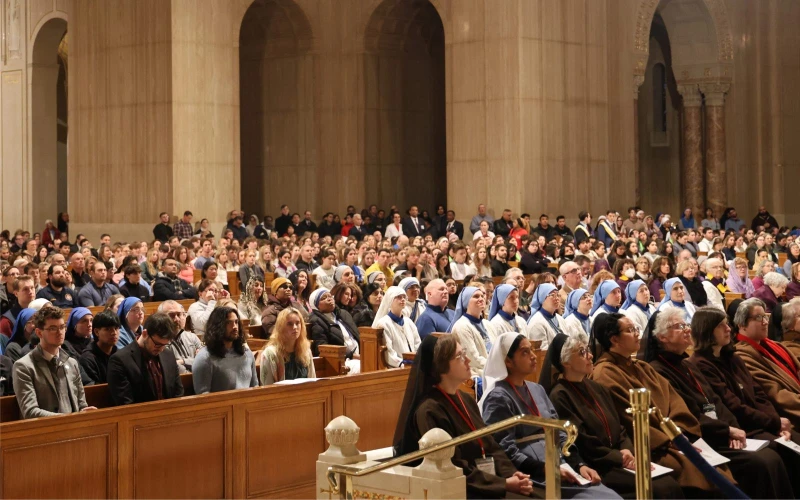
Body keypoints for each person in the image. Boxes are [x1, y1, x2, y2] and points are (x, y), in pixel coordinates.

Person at [645, 307, 793, 499]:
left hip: (721, 431)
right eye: (679, 326)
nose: (686, 329)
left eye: (686, 325)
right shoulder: (658, 370)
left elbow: (716, 401)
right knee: (763, 462)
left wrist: (731, 428)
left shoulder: (686, 364)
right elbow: (688, 414)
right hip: (701, 438)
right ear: (662, 337)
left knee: (773, 453)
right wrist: (726, 431)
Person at [589, 313, 727, 495]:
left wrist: (680, 431)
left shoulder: (641, 366)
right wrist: (671, 439)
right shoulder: (604, 373)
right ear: (614, 339)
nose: (637, 334)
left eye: (636, 329)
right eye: (630, 330)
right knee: (700, 475)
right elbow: (629, 418)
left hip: (675, 438)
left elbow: (674, 400)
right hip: (651, 446)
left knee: (717, 469)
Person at [481, 333, 623, 499]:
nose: (534, 356)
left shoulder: (537, 389)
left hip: (560, 462)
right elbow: (505, 448)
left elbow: (560, 431)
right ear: (508, 361)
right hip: (532, 471)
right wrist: (545, 469)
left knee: (609, 495)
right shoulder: (498, 397)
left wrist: (579, 464)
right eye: (525, 352)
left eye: (532, 350)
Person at [392, 335, 534, 499]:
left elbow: (491, 445)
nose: (467, 360)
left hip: (488, 482)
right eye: (460, 356)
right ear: (442, 366)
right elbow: (451, 465)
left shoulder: (466, 399)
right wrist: (504, 484)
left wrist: (513, 474)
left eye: (464, 353)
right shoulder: (429, 410)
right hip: (463, 489)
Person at [547, 333, 684, 498]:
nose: (590, 355)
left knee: (670, 483)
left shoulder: (597, 388)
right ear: (566, 362)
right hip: (597, 465)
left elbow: (619, 427)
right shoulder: (559, 395)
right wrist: (620, 457)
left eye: (588, 350)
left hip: (620, 459)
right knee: (659, 489)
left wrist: (627, 450)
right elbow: (583, 440)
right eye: (582, 353)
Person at [690, 306, 800, 494]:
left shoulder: (732, 357)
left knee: (796, 440)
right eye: (721, 326)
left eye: (727, 324)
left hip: (761, 422)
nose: (728, 329)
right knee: (776, 456)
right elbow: (734, 405)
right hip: (745, 427)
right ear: (707, 330)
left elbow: (759, 395)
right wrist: (773, 423)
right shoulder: (700, 364)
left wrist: (777, 423)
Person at [12, 307, 95, 419]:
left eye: (62, 327)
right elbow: (30, 411)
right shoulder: (24, 366)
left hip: (73, 430)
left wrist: (85, 412)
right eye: (52, 328)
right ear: (39, 333)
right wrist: (68, 419)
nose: (59, 332)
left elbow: (81, 405)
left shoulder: (72, 363)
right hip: (43, 432)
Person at [734, 298, 800, 428]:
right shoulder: (741, 355)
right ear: (742, 324)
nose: (765, 322)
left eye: (765, 316)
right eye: (758, 317)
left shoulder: (774, 345)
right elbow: (776, 394)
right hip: (787, 416)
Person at [192, 307, 257, 394]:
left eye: (236, 322)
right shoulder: (205, 358)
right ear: (217, 326)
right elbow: (203, 396)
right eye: (228, 323)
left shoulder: (247, 354)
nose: (235, 327)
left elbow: (255, 387)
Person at [307, 289, 360, 373]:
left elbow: (356, 336)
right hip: (341, 361)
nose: (329, 299)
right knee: (366, 366)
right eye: (323, 298)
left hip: (359, 354)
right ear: (316, 305)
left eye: (330, 296)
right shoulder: (317, 321)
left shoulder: (343, 314)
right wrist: (353, 356)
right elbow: (322, 348)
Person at [448, 286, 496, 377]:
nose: (481, 299)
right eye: (476, 296)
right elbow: (473, 359)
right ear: (466, 302)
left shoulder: (488, 324)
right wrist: (497, 366)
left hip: (493, 368)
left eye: (482, 296)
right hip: (476, 373)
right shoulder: (461, 326)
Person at [260, 308, 316, 385]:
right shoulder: (270, 354)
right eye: (290, 324)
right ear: (281, 327)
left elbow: (313, 381)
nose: (295, 327)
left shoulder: (305, 350)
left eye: (297, 323)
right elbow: (267, 388)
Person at [372, 286, 421, 368]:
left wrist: (416, 360)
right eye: (398, 297)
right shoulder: (384, 323)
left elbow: (417, 343)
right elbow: (388, 353)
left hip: (413, 365)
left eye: (404, 297)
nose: (402, 299)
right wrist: (403, 363)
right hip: (396, 368)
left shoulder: (408, 322)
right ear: (390, 300)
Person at [79, 310, 120, 384]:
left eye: (116, 328)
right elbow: (94, 389)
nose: (114, 333)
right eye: (108, 329)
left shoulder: (119, 354)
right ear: (97, 332)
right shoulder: (88, 359)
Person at [527, 284, 567, 350]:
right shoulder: (537, 322)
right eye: (552, 295)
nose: (556, 298)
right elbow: (542, 352)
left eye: (557, 295)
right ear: (542, 298)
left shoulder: (560, 318)